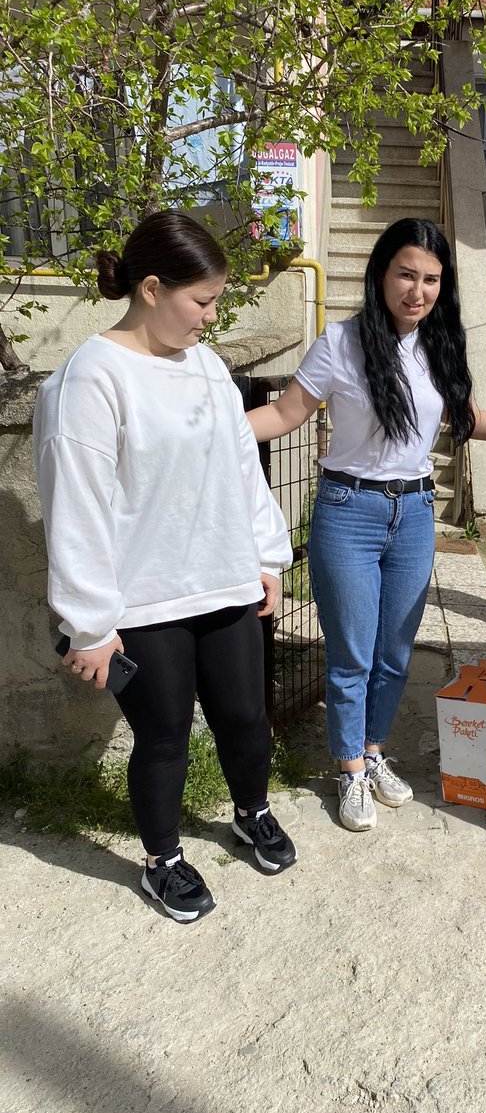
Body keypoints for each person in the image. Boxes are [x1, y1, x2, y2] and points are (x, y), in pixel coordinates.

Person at [248, 217, 486, 832]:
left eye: (430, 279)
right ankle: (347, 771)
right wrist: (211, 430)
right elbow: (287, 413)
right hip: (348, 512)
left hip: (415, 513)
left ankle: (372, 754)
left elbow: (466, 418)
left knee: (394, 652)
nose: (417, 290)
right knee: (351, 653)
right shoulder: (340, 344)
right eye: (405, 274)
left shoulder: (438, 346)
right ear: (381, 274)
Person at [33, 210, 297, 922]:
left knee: (245, 718)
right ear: (151, 288)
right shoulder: (89, 380)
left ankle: (251, 811)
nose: (211, 318)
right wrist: (89, 624)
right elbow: (76, 508)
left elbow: (241, 467)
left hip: (223, 580)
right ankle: (163, 861)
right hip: (144, 602)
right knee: (164, 738)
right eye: (202, 301)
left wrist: (267, 554)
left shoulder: (207, 368)